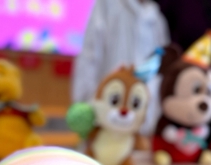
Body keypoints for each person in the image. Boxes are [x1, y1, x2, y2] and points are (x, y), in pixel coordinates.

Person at [71, 0, 170, 136]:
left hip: (141, 121)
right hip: (105, 115)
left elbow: (160, 70)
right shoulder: (107, 5)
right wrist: (86, 107)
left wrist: (153, 117)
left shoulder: (157, 20)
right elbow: (90, 57)